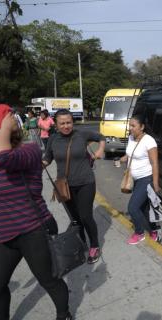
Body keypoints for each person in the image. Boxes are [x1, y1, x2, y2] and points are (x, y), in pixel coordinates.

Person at [0, 104, 71, 320]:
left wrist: (6, 124)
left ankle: (63, 314)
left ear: (2, 132)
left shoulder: (28, 152)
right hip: (5, 235)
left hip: (33, 230)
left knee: (49, 279)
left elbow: (2, 158)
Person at [42, 109, 105, 264]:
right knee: (75, 219)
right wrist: (37, 165)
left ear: (72, 122)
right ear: (55, 125)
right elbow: (47, 159)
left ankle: (95, 246)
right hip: (64, 185)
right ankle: (81, 243)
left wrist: (100, 150)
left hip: (85, 182)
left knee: (85, 216)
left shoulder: (81, 135)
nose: (66, 126)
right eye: (62, 123)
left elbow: (101, 137)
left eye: (68, 122)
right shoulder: (53, 140)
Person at [120, 114, 162, 245]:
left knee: (132, 207)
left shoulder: (149, 141)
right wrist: (123, 158)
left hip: (146, 178)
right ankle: (155, 229)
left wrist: (155, 183)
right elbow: (131, 153)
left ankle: (139, 233)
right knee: (143, 208)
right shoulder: (131, 138)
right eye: (130, 125)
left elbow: (155, 163)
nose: (130, 128)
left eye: (133, 126)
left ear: (142, 126)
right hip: (135, 179)